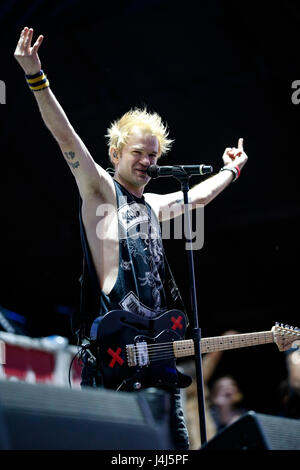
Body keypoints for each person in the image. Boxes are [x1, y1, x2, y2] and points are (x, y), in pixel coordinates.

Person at [14, 26, 248, 450]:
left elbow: (195, 198)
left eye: (154, 155)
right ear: (116, 153)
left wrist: (231, 170)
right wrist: (36, 77)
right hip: (115, 364)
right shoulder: (100, 190)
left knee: (174, 451)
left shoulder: (154, 206)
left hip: (156, 364)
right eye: (139, 152)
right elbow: (66, 137)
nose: (147, 161)